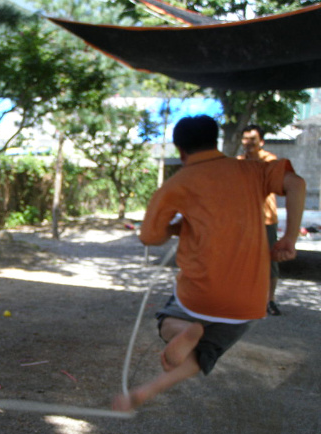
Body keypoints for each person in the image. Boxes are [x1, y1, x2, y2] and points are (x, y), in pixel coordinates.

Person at [112, 115, 305, 412]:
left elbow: (150, 237)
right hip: (249, 300)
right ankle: (146, 390)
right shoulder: (250, 169)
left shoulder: (177, 183)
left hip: (198, 296)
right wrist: (289, 238)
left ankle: (180, 333)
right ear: (214, 140)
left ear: (180, 151)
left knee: (167, 321)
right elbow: (297, 183)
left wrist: (176, 227)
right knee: (205, 353)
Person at [238, 124, 283, 315]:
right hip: (244, 219)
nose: (248, 143)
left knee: (270, 260)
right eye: (245, 139)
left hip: (266, 219)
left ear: (261, 142)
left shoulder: (270, 160)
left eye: (253, 139)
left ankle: (270, 300)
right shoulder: (238, 162)